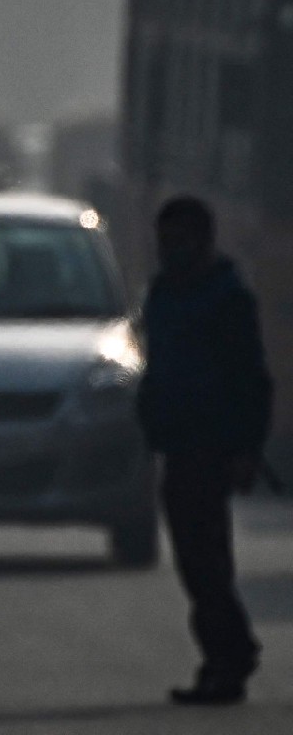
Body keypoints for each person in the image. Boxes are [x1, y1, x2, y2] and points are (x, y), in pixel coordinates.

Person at [136, 195, 273, 705]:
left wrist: (245, 449)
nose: (170, 251)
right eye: (165, 241)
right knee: (197, 563)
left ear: (204, 240)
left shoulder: (228, 298)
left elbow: (251, 381)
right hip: (177, 445)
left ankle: (228, 659)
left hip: (211, 448)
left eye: (180, 241)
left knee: (207, 562)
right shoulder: (164, 294)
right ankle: (229, 653)